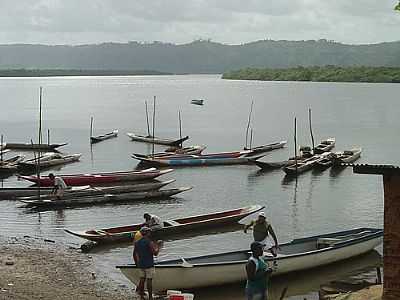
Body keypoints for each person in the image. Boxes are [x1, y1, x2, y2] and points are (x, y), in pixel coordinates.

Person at [133, 226, 162, 300]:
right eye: (149, 232)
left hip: (141, 264)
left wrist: (137, 263)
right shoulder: (149, 242)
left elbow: (135, 254)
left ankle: (142, 296)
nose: (150, 233)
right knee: (149, 280)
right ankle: (150, 297)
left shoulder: (137, 243)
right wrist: (158, 246)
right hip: (149, 264)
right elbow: (155, 253)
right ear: (147, 233)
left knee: (142, 279)